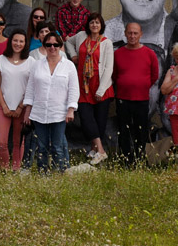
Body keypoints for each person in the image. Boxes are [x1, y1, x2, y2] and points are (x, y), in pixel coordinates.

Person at [24, 30, 80, 173]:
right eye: (49, 44)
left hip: (59, 112)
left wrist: (71, 109)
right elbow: (30, 89)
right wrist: (27, 111)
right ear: (44, 45)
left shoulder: (68, 66)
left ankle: (60, 173)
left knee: (57, 146)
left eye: (55, 44)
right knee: (41, 146)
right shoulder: (36, 65)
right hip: (39, 111)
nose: (52, 47)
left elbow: (74, 89)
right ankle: (43, 173)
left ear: (61, 46)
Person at [65, 12, 114, 164]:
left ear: (101, 26)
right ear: (88, 24)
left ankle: (94, 149)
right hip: (83, 85)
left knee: (99, 122)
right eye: (92, 22)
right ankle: (101, 151)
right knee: (86, 119)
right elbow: (67, 42)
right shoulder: (81, 36)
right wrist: (73, 55)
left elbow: (108, 68)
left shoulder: (106, 43)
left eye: (97, 23)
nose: (94, 25)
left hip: (101, 86)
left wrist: (100, 90)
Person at [112, 21, 160, 165]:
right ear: (125, 34)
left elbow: (154, 75)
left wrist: (142, 85)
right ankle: (126, 159)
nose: (132, 36)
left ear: (141, 34)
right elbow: (114, 75)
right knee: (123, 130)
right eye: (130, 33)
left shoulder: (149, 53)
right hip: (122, 98)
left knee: (141, 130)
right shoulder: (118, 53)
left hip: (142, 99)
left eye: (135, 33)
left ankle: (140, 158)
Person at [0, 29, 34, 170]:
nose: (18, 43)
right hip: (3, 106)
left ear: (25, 43)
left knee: (18, 141)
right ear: (10, 42)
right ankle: (4, 167)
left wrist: (21, 107)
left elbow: (32, 87)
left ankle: (16, 168)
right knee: (1, 142)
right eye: (15, 40)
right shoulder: (0, 60)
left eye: (21, 41)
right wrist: (4, 106)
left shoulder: (31, 62)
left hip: (21, 108)